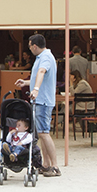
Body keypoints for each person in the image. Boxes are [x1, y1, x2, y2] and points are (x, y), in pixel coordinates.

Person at [16, 33, 61, 176]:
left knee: (44, 133)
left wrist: (35, 89)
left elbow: (42, 72)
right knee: (42, 133)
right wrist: (27, 83)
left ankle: (54, 166)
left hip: (43, 100)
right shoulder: (41, 57)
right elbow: (39, 77)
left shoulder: (46, 57)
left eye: (29, 47)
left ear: (34, 46)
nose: (29, 49)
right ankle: (46, 164)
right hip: (40, 100)